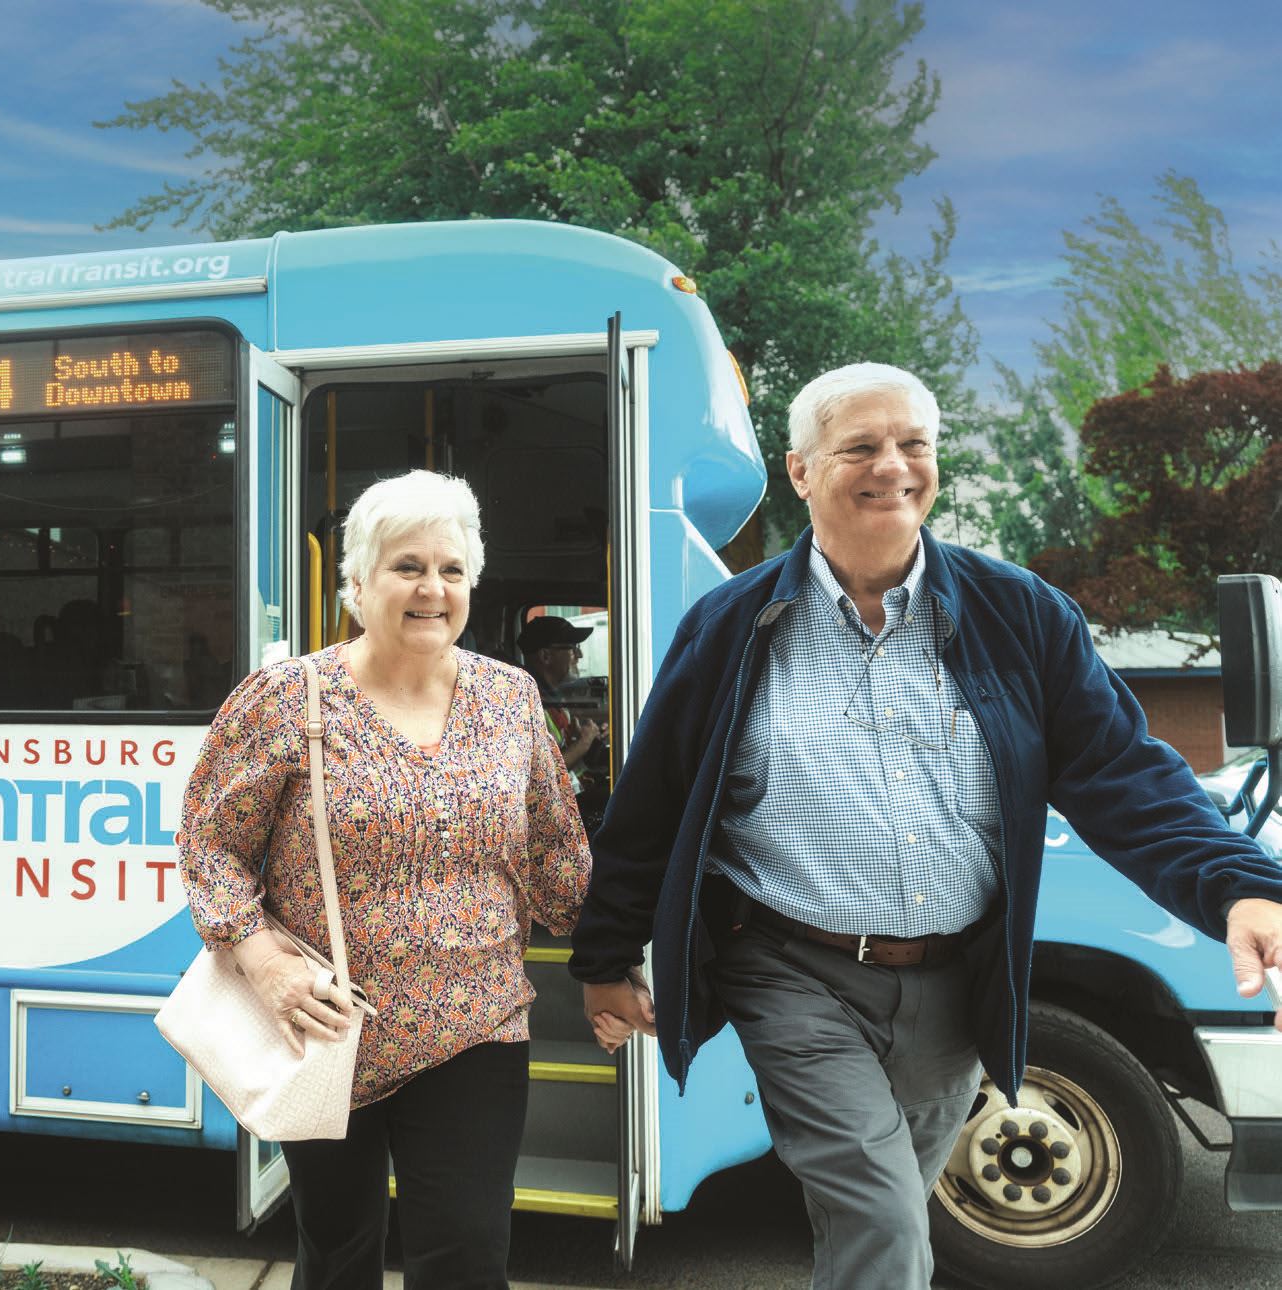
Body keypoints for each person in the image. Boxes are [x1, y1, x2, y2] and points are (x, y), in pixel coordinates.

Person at [569, 362, 1282, 1289]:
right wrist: (604, 958)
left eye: (915, 445)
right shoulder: (732, 627)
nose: (893, 467)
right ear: (801, 470)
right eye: (860, 446)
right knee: (886, 1216)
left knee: (889, 1204)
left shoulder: (1020, 614)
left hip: (957, 979)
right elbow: (652, 805)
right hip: (791, 972)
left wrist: (1240, 885)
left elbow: (1122, 773)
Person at [180, 469, 590, 1289]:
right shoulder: (286, 699)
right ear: (358, 583)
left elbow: (555, 854)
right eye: (407, 566)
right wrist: (266, 964)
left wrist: (618, 956)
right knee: (338, 1253)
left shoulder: (512, 700)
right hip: (330, 1025)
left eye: (450, 569)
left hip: (477, 1025)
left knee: (469, 1258)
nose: (431, 589)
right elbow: (209, 846)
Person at [518, 615, 605, 788]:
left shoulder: (555, 701)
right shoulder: (525, 705)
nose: (579, 655)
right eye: (573, 648)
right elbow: (541, 777)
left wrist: (592, 743)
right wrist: (583, 743)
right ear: (546, 656)